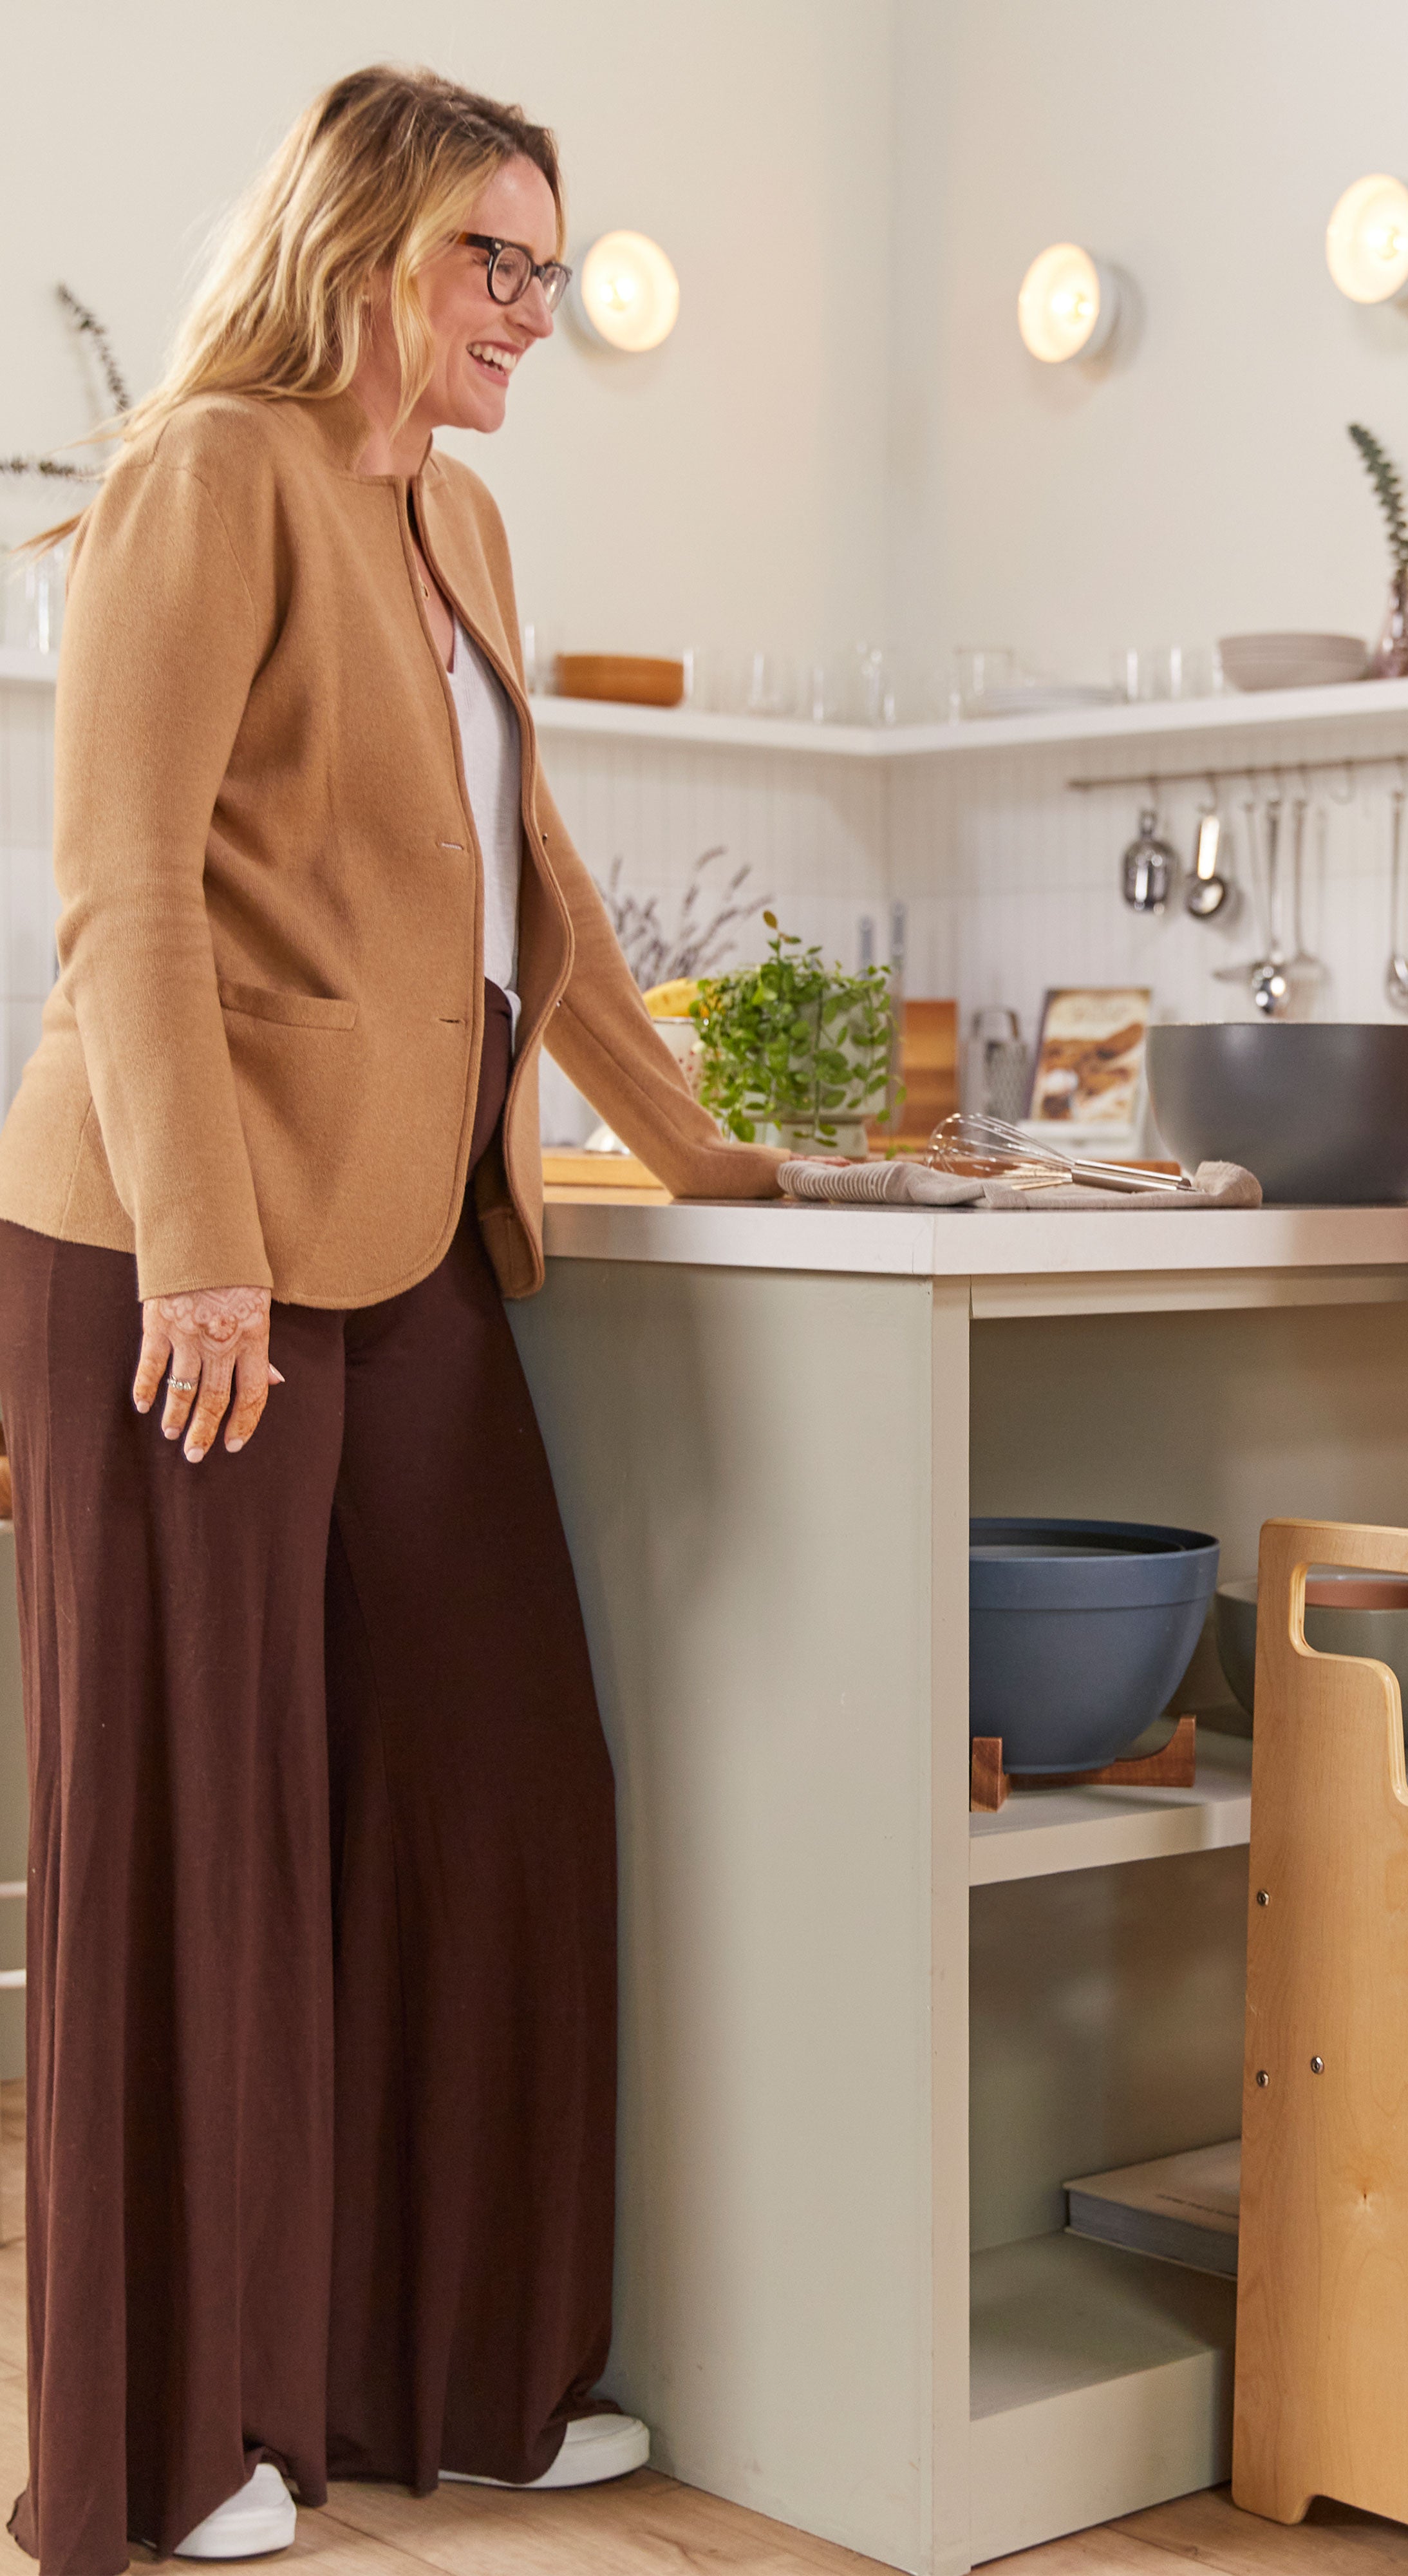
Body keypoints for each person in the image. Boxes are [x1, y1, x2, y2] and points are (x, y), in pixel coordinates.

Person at [0, 66, 787, 2571]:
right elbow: (120, 885)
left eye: (551, 272)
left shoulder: (458, 513)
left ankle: (450, 2373)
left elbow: (527, 877)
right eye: (496, 265)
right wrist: (202, 1237)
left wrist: (703, 1153)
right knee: (195, 1826)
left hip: (419, 1234)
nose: (529, 317)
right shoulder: (201, 477)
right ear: (366, 248)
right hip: (172, 1244)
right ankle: (173, 2438)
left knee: (500, 1778)